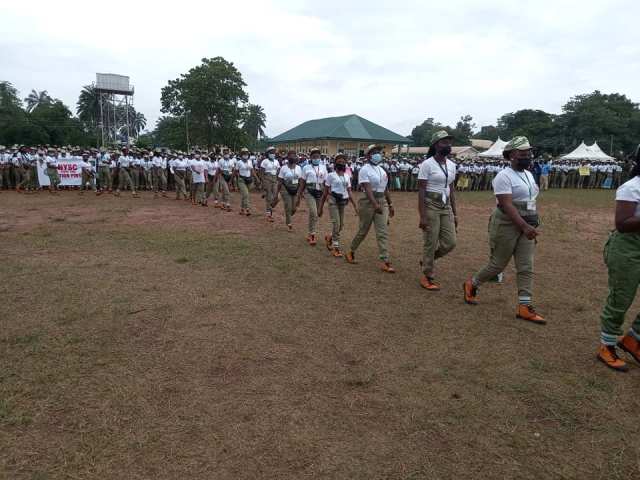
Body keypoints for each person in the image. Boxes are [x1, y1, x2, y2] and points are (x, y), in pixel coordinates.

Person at [463, 136, 545, 324]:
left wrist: (531, 223)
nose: (528, 156)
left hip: (527, 224)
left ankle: (525, 306)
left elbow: (530, 201)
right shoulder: (503, 176)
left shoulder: (528, 174)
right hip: (507, 223)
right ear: (512, 155)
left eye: (529, 152)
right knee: (497, 265)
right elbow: (506, 205)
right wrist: (524, 226)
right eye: (523, 153)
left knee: (526, 266)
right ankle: (472, 284)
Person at [596, 145, 640, 371]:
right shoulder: (631, 188)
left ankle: (633, 339)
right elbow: (622, 225)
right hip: (628, 248)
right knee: (621, 298)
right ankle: (607, 345)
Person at [344, 144, 396, 273]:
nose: (378, 154)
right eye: (374, 152)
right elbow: (367, 189)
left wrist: (390, 204)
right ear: (368, 155)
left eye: (379, 151)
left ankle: (385, 260)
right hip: (368, 202)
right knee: (363, 230)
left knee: (382, 232)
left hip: (381, 201)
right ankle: (351, 251)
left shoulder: (382, 170)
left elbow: (385, 189)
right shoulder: (364, 170)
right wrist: (375, 204)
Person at [418, 130, 458, 290]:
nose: (448, 145)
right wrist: (422, 216)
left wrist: (455, 213)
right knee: (431, 241)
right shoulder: (427, 164)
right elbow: (421, 190)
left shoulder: (452, 165)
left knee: (450, 243)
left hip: (445, 205)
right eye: (444, 142)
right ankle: (427, 275)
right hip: (430, 205)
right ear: (435, 145)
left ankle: (428, 259)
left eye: (449, 142)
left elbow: (451, 188)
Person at [318, 153, 357, 257]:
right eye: (339, 162)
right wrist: (320, 208)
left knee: (341, 225)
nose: (342, 163)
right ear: (335, 163)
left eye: (343, 162)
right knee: (336, 224)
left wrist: (355, 206)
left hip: (342, 202)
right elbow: (325, 192)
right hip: (333, 201)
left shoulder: (347, 176)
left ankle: (329, 237)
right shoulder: (331, 175)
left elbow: (349, 191)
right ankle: (336, 247)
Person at [297, 147, 328, 246]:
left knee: (316, 214)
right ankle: (312, 234)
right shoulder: (306, 168)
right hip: (309, 191)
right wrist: (299, 195)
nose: (316, 158)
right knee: (314, 212)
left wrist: (326, 195)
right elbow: (302, 182)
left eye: (318, 156)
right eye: (314, 156)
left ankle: (310, 232)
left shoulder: (323, 167)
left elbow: (326, 182)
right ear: (310, 157)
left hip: (319, 192)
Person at [272, 150, 302, 232]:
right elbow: (280, 181)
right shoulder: (283, 168)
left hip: (295, 189)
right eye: (290, 156)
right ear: (288, 157)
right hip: (285, 189)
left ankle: (288, 215)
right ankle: (289, 223)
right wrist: (277, 193)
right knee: (288, 206)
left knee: (294, 208)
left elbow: (300, 181)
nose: (292, 157)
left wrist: (300, 192)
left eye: (294, 155)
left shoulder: (299, 168)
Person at [235, 147, 257, 216]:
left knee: (245, 195)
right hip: (241, 180)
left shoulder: (250, 162)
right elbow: (236, 171)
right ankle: (247, 209)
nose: (245, 155)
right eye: (244, 153)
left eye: (246, 153)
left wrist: (257, 178)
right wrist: (234, 180)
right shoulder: (238, 162)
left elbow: (252, 170)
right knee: (246, 194)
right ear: (241, 154)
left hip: (249, 179)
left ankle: (242, 209)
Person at [260, 146, 279, 222]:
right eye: (271, 153)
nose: (273, 154)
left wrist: (277, 177)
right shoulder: (265, 161)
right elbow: (261, 172)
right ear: (268, 154)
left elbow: (278, 170)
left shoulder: (276, 161)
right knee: (269, 197)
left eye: (274, 152)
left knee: (276, 197)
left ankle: (270, 207)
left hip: (274, 179)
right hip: (267, 179)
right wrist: (263, 181)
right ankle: (269, 214)